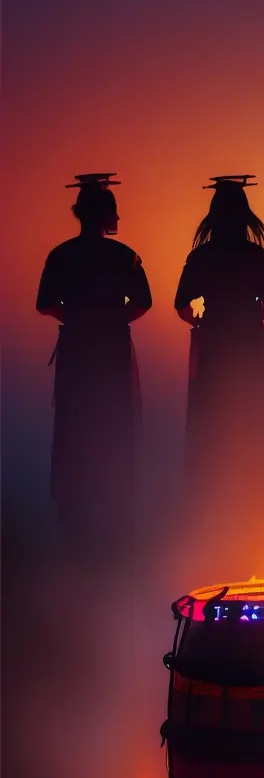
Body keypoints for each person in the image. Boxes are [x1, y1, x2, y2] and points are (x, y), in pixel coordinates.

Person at [36, 173, 152, 543]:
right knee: (114, 425)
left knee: (74, 428)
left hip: (77, 352)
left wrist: (77, 319)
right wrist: (113, 318)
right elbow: (143, 302)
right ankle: (114, 517)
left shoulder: (60, 256)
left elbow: (46, 304)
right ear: (107, 215)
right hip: (111, 352)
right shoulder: (123, 256)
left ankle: (77, 522)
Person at [174, 176, 264, 558]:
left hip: (216, 337)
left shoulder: (200, 257)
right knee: (252, 419)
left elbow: (181, 304)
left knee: (212, 418)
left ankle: (214, 504)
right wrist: (249, 319)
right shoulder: (255, 255)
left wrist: (200, 323)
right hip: (248, 339)